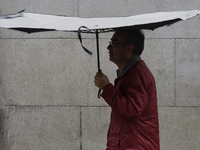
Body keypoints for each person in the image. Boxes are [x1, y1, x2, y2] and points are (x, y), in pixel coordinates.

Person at [94, 29, 160, 150]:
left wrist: (107, 88)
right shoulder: (129, 73)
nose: (109, 47)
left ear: (129, 49)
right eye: (110, 42)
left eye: (114, 43)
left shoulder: (137, 74)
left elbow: (131, 111)